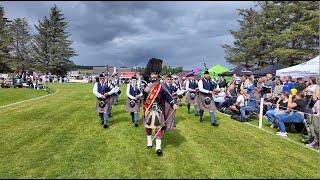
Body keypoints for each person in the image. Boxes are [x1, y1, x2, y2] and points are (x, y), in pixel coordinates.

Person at [142, 58, 178, 156]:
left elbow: (167, 96)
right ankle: (149, 141)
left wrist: (172, 103)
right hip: (148, 109)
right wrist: (146, 90)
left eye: (155, 73)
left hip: (159, 109)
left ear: (158, 74)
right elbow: (144, 98)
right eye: (152, 74)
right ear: (149, 74)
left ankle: (158, 147)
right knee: (149, 127)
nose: (154, 75)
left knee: (158, 128)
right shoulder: (144, 84)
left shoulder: (161, 85)